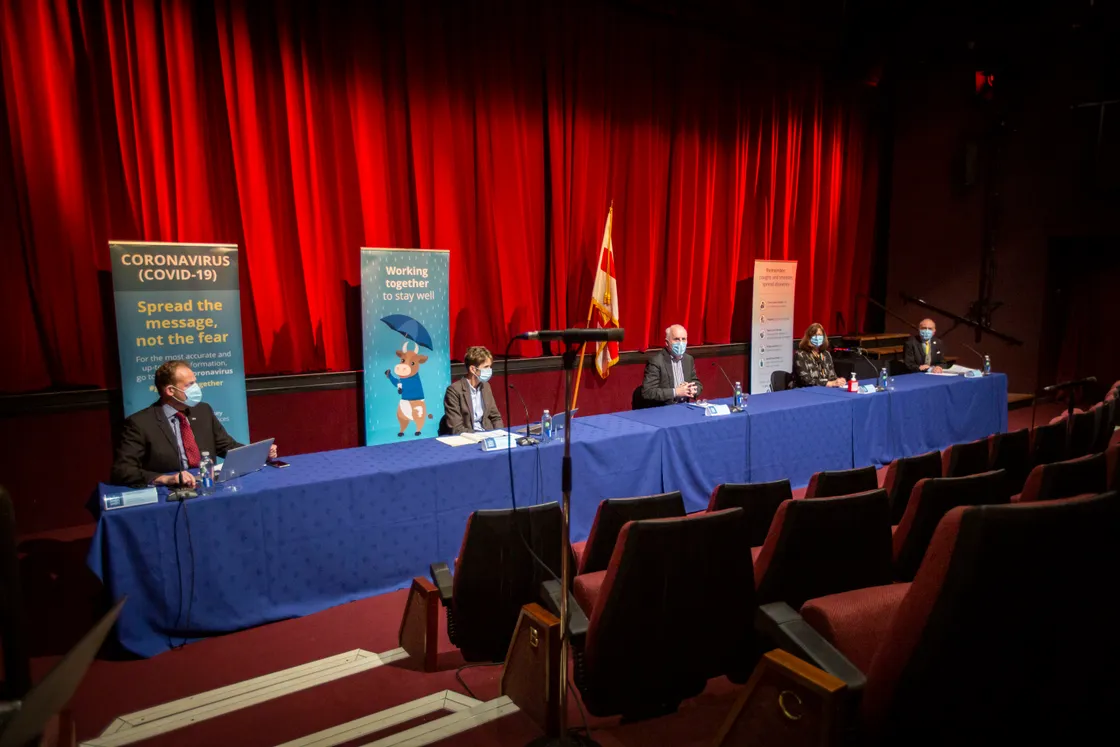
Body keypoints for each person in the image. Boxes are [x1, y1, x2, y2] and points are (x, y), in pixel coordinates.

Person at [110, 360, 277, 488]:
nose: (196, 388)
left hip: (209, 485)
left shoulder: (203, 411)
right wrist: (166, 479)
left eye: (195, 382)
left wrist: (260, 453)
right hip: (172, 491)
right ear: (170, 391)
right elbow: (122, 470)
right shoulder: (139, 423)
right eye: (189, 385)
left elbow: (226, 446)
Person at [442, 346, 504, 435]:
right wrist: (480, 436)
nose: (489, 370)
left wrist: (500, 434)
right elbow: (456, 428)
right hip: (468, 437)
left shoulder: (486, 386)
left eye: (490, 367)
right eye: (486, 367)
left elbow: (496, 417)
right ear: (473, 369)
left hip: (488, 433)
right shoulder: (454, 390)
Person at [641, 324, 703, 405]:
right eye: (676, 339)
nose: (681, 343)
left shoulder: (688, 359)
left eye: (683, 339)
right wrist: (675, 392)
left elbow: (696, 382)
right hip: (665, 409)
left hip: (685, 407)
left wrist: (693, 389)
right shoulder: (656, 361)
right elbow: (648, 392)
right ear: (667, 342)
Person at [793, 323, 848, 388]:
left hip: (825, 389)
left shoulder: (826, 354)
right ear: (808, 338)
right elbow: (806, 380)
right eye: (814, 335)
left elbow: (832, 376)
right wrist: (828, 383)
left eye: (819, 335)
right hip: (805, 390)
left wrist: (838, 381)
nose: (817, 338)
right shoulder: (800, 354)